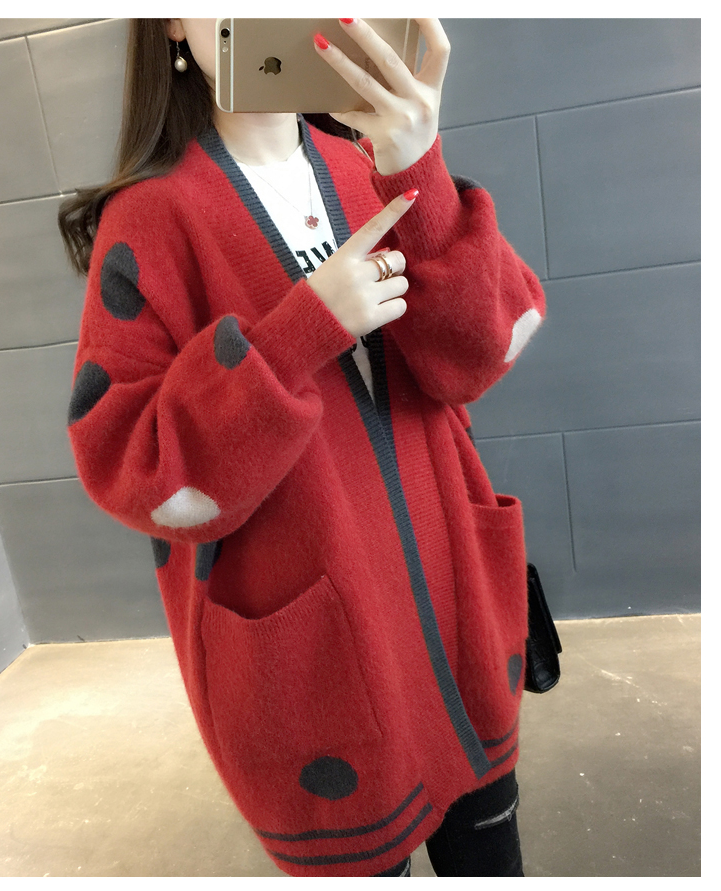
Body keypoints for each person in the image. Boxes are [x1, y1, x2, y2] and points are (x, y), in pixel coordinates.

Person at [59, 17, 546, 877]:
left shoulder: (373, 169)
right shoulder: (151, 221)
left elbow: (486, 349)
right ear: (170, 24)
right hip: (322, 678)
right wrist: (299, 331)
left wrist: (420, 164)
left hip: (459, 633)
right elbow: (132, 462)